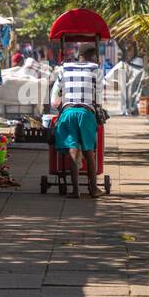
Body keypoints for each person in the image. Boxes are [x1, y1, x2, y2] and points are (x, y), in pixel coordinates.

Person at [50, 42, 103, 198]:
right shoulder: (96, 70)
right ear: (92, 56)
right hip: (85, 113)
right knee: (88, 151)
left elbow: (54, 95)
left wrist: (58, 104)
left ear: (78, 55)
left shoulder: (64, 68)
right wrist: (97, 106)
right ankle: (93, 189)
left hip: (68, 112)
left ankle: (75, 190)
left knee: (73, 150)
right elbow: (98, 97)